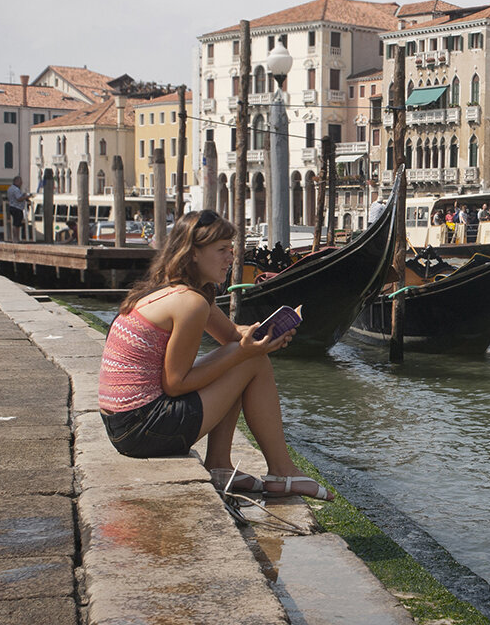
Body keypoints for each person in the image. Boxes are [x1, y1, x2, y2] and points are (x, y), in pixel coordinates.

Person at [97, 209, 332, 500]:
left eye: (231, 249)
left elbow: (232, 335)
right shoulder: (189, 303)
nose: (231, 257)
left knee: (243, 355)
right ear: (193, 253)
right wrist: (244, 352)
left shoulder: (179, 291)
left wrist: (266, 333)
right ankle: (281, 471)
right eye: (221, 250)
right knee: (248, 359)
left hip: (123, 425)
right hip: (142, 429)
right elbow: (175, 383)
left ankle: (221, 466)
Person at [6, 176, 31, 240]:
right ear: (16, 181)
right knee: (16, 224)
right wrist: (26, 197)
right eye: (20, 182)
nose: (21, 183)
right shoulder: (16, 189)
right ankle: (16, 238)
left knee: (16, 223)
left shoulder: (10, 188)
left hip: (12, 207)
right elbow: (19, 199)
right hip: (17, 208)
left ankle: (15, 238)